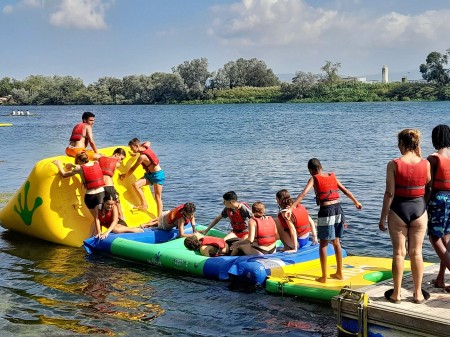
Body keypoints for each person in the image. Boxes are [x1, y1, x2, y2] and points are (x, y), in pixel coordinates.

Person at [287, 158, 362, 283]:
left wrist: (291, 207)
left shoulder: (314, 178)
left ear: (311, 170)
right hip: (338, 209)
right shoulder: (331, 176)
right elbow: (345, 190)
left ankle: (324, 276)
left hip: (326, 210)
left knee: (323, 244)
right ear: (321, 167)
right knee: (336, 241)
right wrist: (356, 202)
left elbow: (304, 193)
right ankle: (339, 273)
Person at [379, 129, 431, 304]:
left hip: (398, 210)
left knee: (399, 253)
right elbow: (427, 184)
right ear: (416, 144)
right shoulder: (426, 164)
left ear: (401, 144)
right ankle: (417, 294)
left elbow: (389, 193)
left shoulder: (393, 164)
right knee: (417, 253)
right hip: (419, 210)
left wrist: (382, 217)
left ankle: (397, 294)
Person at [53, 151, 106, 233]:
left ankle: (95, 236)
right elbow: (87, 167)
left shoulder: (78, 168)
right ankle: (96, 236)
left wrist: (58, 164)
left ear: (78, 161)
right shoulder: (96, 163)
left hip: (90, 196)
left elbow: (64, 174)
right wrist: (73, 165)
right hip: (101, 194)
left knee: (96, 218)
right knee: (98, 218)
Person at [426, 124, 450, 292]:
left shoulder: (433, 158)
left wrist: (422, 205)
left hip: (439, 199)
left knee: (435, 238)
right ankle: (440, 279)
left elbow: (428, 186)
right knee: (447, 239)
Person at [119, 138, 165, 217]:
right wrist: (137, 152)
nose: (131, 150)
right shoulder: (144, 147)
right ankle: (144, 204)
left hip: (157, 175)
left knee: (157, 197)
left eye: (132, 148)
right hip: (150, 175)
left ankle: (159, 218)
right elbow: (148, 142)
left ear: (136, 146)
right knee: (136, 185)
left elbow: (133, 168)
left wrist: (125, 176)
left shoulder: (142, 157)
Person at [98, 148, 126, 220]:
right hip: (109, 185)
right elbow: (111, 174)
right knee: (116, 200)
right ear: (116, 154)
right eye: (121, 158)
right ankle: (120, 215)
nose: (121, 161)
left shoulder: (101, 158)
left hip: (99, 186)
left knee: (102, 204)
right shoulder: (117, 164)